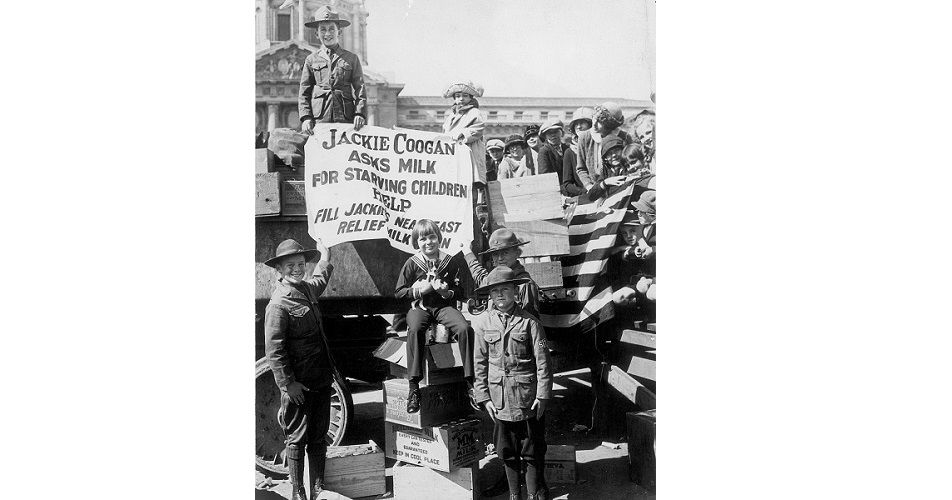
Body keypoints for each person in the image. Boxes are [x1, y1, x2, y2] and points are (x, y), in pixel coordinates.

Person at [264, 238, 339, 500]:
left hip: (320, 379)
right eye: (290, 265)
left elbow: (319, 279)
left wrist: (325, 255)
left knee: (318, 438)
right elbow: (274, 351)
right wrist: (288, 384)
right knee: (297, 438)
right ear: (279, 270)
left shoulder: (306, 290)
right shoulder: (278, 304)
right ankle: (298, 492)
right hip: (299, 386)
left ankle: (318, 488)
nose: (297, 269)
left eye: (300, 264)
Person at [473, 267, 553, 500]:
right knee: (506, 451)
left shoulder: (530, 323)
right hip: (499, 400)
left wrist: (542, 395)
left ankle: (532, 494)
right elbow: (479, 363)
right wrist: (484, 397)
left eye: (505, 289)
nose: (500, 295)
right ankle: (514, 495)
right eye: (495, 291)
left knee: (531, 450)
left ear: (515, 292)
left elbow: (543, 364)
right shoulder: (483, 324)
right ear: (490, 295)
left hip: (528, 399)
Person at [393, 219, 473, 413]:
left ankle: (471, 382)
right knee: (415, 329)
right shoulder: (412, 263)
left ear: (439, 238)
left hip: (443, 307)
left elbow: (460, 290)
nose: (428, 242)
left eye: (432, 237)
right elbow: (399, 292)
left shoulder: (449, 261)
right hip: (420, 306)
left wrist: (446, 293)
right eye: (423, 239)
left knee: (465, 329)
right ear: (416, 242)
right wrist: (423, 289)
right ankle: (414, 387)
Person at [298, 5, 367, 134]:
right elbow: (304, 93)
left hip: (346, 119)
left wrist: (360, 113)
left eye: (331, 29)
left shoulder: (351, 58)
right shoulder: (311, 60)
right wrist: (306, 117)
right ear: (317, 34)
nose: (327, 34)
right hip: (319, 120)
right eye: (323, 30)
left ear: (339, 32)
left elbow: (360, 89)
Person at [464, 228, 541, 318]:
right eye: (495, 254)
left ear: (518, 253)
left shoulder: (524, 285)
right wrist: (467, 252)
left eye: (505, 253)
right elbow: (481, 277)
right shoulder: (496, 278)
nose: (500, 258)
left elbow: (530, 321)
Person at [575, 102, 635, 197]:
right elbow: (581, 168)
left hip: (619, 189)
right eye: (594, 119)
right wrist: (589, 186)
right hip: (594, 190)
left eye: (599, 122)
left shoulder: (625, 137)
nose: (594, 124)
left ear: (609, 125)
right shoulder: (584, 137)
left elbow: (631, 163)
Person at [442, 81, 489, 189]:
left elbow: (478, 128)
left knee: (470, 181)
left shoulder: (474, 112)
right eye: (458, 96)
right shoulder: (451, 116)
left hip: (469, 151)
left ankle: (474, 204)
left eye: (465, 96)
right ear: (454, 98)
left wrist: (461, 135)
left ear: (470, 97)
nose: (461, 99)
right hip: (454, 153)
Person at [561, 107, 593, 197]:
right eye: (576, 124)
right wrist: (584, 192)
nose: (579, 126)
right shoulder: (570, 152)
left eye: (582, 123)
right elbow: (567, 184)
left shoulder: (600, 146)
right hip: (585, 196)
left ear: (591, 125)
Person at [536, 119, 567, 183]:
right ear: (545, 137)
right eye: (549, 133)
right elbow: (544, 175)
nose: (553, 135)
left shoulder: (567, 149)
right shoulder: (544, 151)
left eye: (556, 132)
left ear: (562, 133)